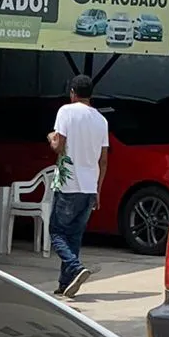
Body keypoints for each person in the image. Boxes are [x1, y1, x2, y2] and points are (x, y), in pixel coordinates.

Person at [46, 74, 109, 298]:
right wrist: (98, 190)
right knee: (74, 236)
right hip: (89, 186)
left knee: (55, 232)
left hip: (67, 183)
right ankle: (65, 283)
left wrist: (50, 136)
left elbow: (58, 146)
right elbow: (103, 160)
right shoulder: (102, 120)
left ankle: (75, 267)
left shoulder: (66, 111)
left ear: (72, 92)